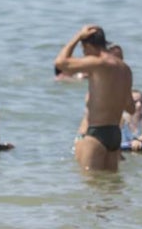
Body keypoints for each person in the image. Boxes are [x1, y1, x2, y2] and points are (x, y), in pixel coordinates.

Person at [54, 25, 135, 171]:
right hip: (115, 134)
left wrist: (78, 36)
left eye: (83, 49)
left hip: (97, 133)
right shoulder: (125, 69)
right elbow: (131, 107)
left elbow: (60, 63)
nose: (84, 54)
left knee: (90, 186)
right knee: (111, 188)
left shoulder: (98, 63)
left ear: (88, 46)